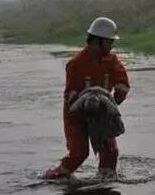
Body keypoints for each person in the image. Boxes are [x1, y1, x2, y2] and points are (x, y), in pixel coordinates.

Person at [45, 17, 130, 179]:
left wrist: (114, 101)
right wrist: (85, 106)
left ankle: (106, 181)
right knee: (78, 154)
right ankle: (54, 177)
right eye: (109, 42)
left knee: (111, 152)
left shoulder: (112, 61)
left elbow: (122, 83)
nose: (112, 46)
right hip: (76, 115)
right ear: (98, 41)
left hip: (102, 112)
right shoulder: (76, 64)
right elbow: (70, 94)